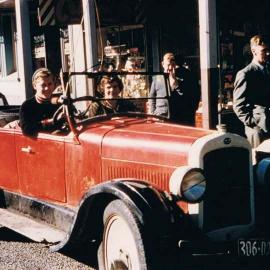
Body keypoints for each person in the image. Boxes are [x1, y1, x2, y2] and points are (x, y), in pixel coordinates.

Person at [233, 35, 270, 148]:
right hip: (257, 129)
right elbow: (238, 106)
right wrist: (253, 122)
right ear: (253, 51)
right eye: (264, 51)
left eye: (268, 50)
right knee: (260, 162)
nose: (268, 54)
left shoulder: (268, 70)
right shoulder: (245, 74)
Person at [149, 52, 200, 126]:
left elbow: (190, 96)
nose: (170, 68)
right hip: (161, 115)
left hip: (178, 115)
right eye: (168, 65)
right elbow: (152, 97)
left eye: (172, 65)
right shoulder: (157, 79)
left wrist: (176, 85)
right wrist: (153, 113)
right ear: (163, 64)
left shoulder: (183, 77)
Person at [19, 68, 63, 137]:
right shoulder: (27, 106)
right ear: (34, 86)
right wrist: (51, 121)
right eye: (43, 85)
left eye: (49, 84)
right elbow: (27, 130)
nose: (47, 88)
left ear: (54, 84)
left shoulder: (59, 102)